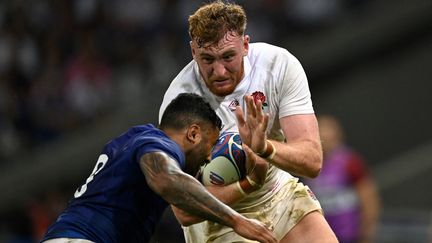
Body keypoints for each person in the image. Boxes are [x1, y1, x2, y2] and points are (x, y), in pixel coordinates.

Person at [158, 1, 338, 242]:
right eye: (208, 60)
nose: (219, 71)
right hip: (219, 219)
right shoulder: (179, 105)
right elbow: (183, 210)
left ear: (245, 45)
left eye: (228, 56)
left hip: (277, 192)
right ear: (193, 52)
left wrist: (265, 148)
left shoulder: (278, 66)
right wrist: (248, 184)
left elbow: (312, 160)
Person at [40, 93, 277, 243]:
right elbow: (166, 179)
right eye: (211, 145)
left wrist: (248, 185)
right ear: (193, 133)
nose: (208, 158)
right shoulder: (160, 144)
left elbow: (187, 210)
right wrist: (237, 221)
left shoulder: (135, 139)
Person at [305, 115, 381, 243]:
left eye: (328, 136)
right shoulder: (309, 164)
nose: (325, 139)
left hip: (351, 234)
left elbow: (369, 197)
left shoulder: (350, 162)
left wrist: (367, 230)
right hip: (325, 236)